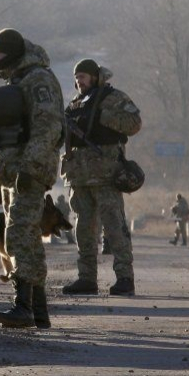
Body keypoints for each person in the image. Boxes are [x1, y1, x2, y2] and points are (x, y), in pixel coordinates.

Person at [0, 28, 63, 329]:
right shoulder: (15, 80)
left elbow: (47, 128)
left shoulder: (38, 80)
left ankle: (24, 306)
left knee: (19, 234)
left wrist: (30, 169)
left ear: (13, 53)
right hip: (12, 171)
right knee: (27, 236)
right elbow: (3, 138)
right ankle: (39, 311)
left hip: (30, 171)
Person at [60, 59, 142, 297]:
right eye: (76, 78)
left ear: (95, 77)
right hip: (79, 178)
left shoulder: (113, 98)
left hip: (106, 176)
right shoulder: (75, 104)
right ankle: (86, 278)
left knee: (114, 227)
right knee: (83, 230)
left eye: (83, 77)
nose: (79, 82)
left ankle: (125, 278)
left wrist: (103, 118)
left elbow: (134, 123)